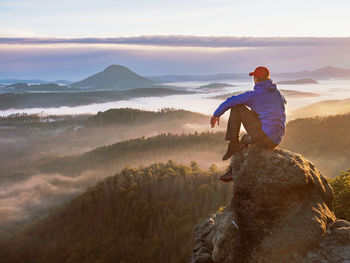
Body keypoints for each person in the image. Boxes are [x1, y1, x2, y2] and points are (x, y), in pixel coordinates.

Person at [210, 66, 287, 182]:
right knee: (245, 139)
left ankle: (233, 143)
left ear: (256, 79)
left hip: (263, 136)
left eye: (254, 77)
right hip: (275, 140)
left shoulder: (255, 95)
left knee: (237, 107)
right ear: (268, 78)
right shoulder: (278, 94)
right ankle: (232, 170)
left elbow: (231, 100)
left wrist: (216, 115)